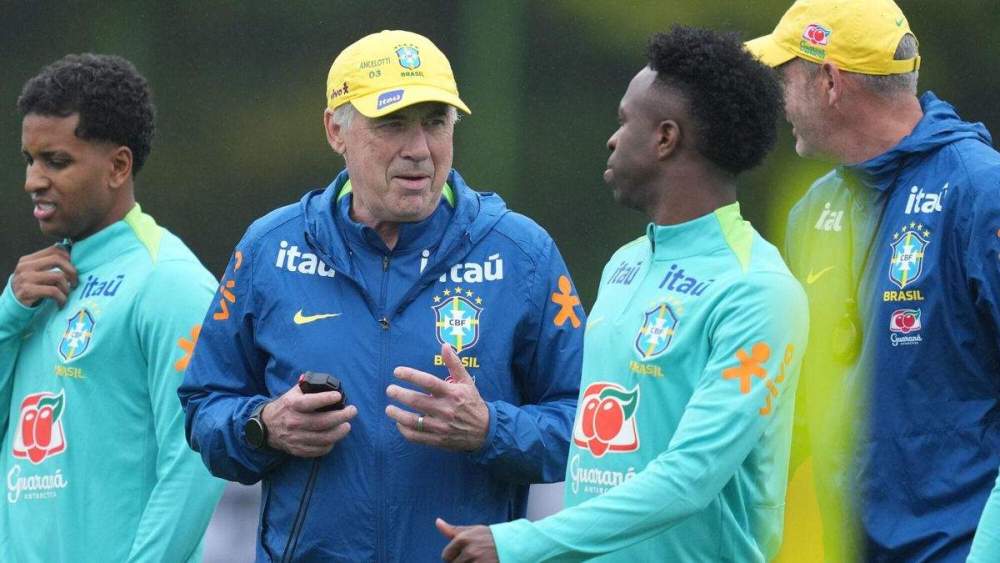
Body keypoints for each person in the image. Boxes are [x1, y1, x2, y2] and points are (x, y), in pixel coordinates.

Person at [178, 30, 584, 562]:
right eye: (392, 124)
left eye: (436, 122)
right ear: (335, 130)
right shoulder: (269, 249)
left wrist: (491, 430)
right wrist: (264, 426)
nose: (418, 149)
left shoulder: (521, 253)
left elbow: (591, 430)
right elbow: (203, 408)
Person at [439, 26, 808, 562]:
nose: (612, 139)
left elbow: (690, 478)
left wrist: (522, 542)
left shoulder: (756, 291)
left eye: (623, 121)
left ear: (665, 138)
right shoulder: (625, 265)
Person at [746, 0, 1000, 560]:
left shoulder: (981, 191)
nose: (779, 99)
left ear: (830, 82)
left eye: (786, 77)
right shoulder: (812, 209)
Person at [0, 54, 223, 562]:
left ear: (118, 167)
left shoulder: (169, 282)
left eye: (56, 161)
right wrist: (6, 318)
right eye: (29, 160)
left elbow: (194, 464)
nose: (33, 180)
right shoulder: (31, 291)